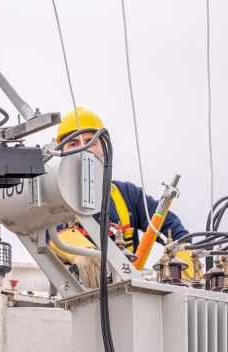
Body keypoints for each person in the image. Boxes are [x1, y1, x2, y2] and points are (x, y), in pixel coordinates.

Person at [48, 107, 192, 286]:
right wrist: (84, 256)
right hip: (77, 294)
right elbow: (50, 236)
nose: (83, 149)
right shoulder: (53, 198)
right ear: (61, 152)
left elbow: (173, 229)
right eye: (73, 143)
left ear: (104, 147)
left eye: (90, 141)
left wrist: (183, 254)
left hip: (129, 292)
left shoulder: (127, 195)